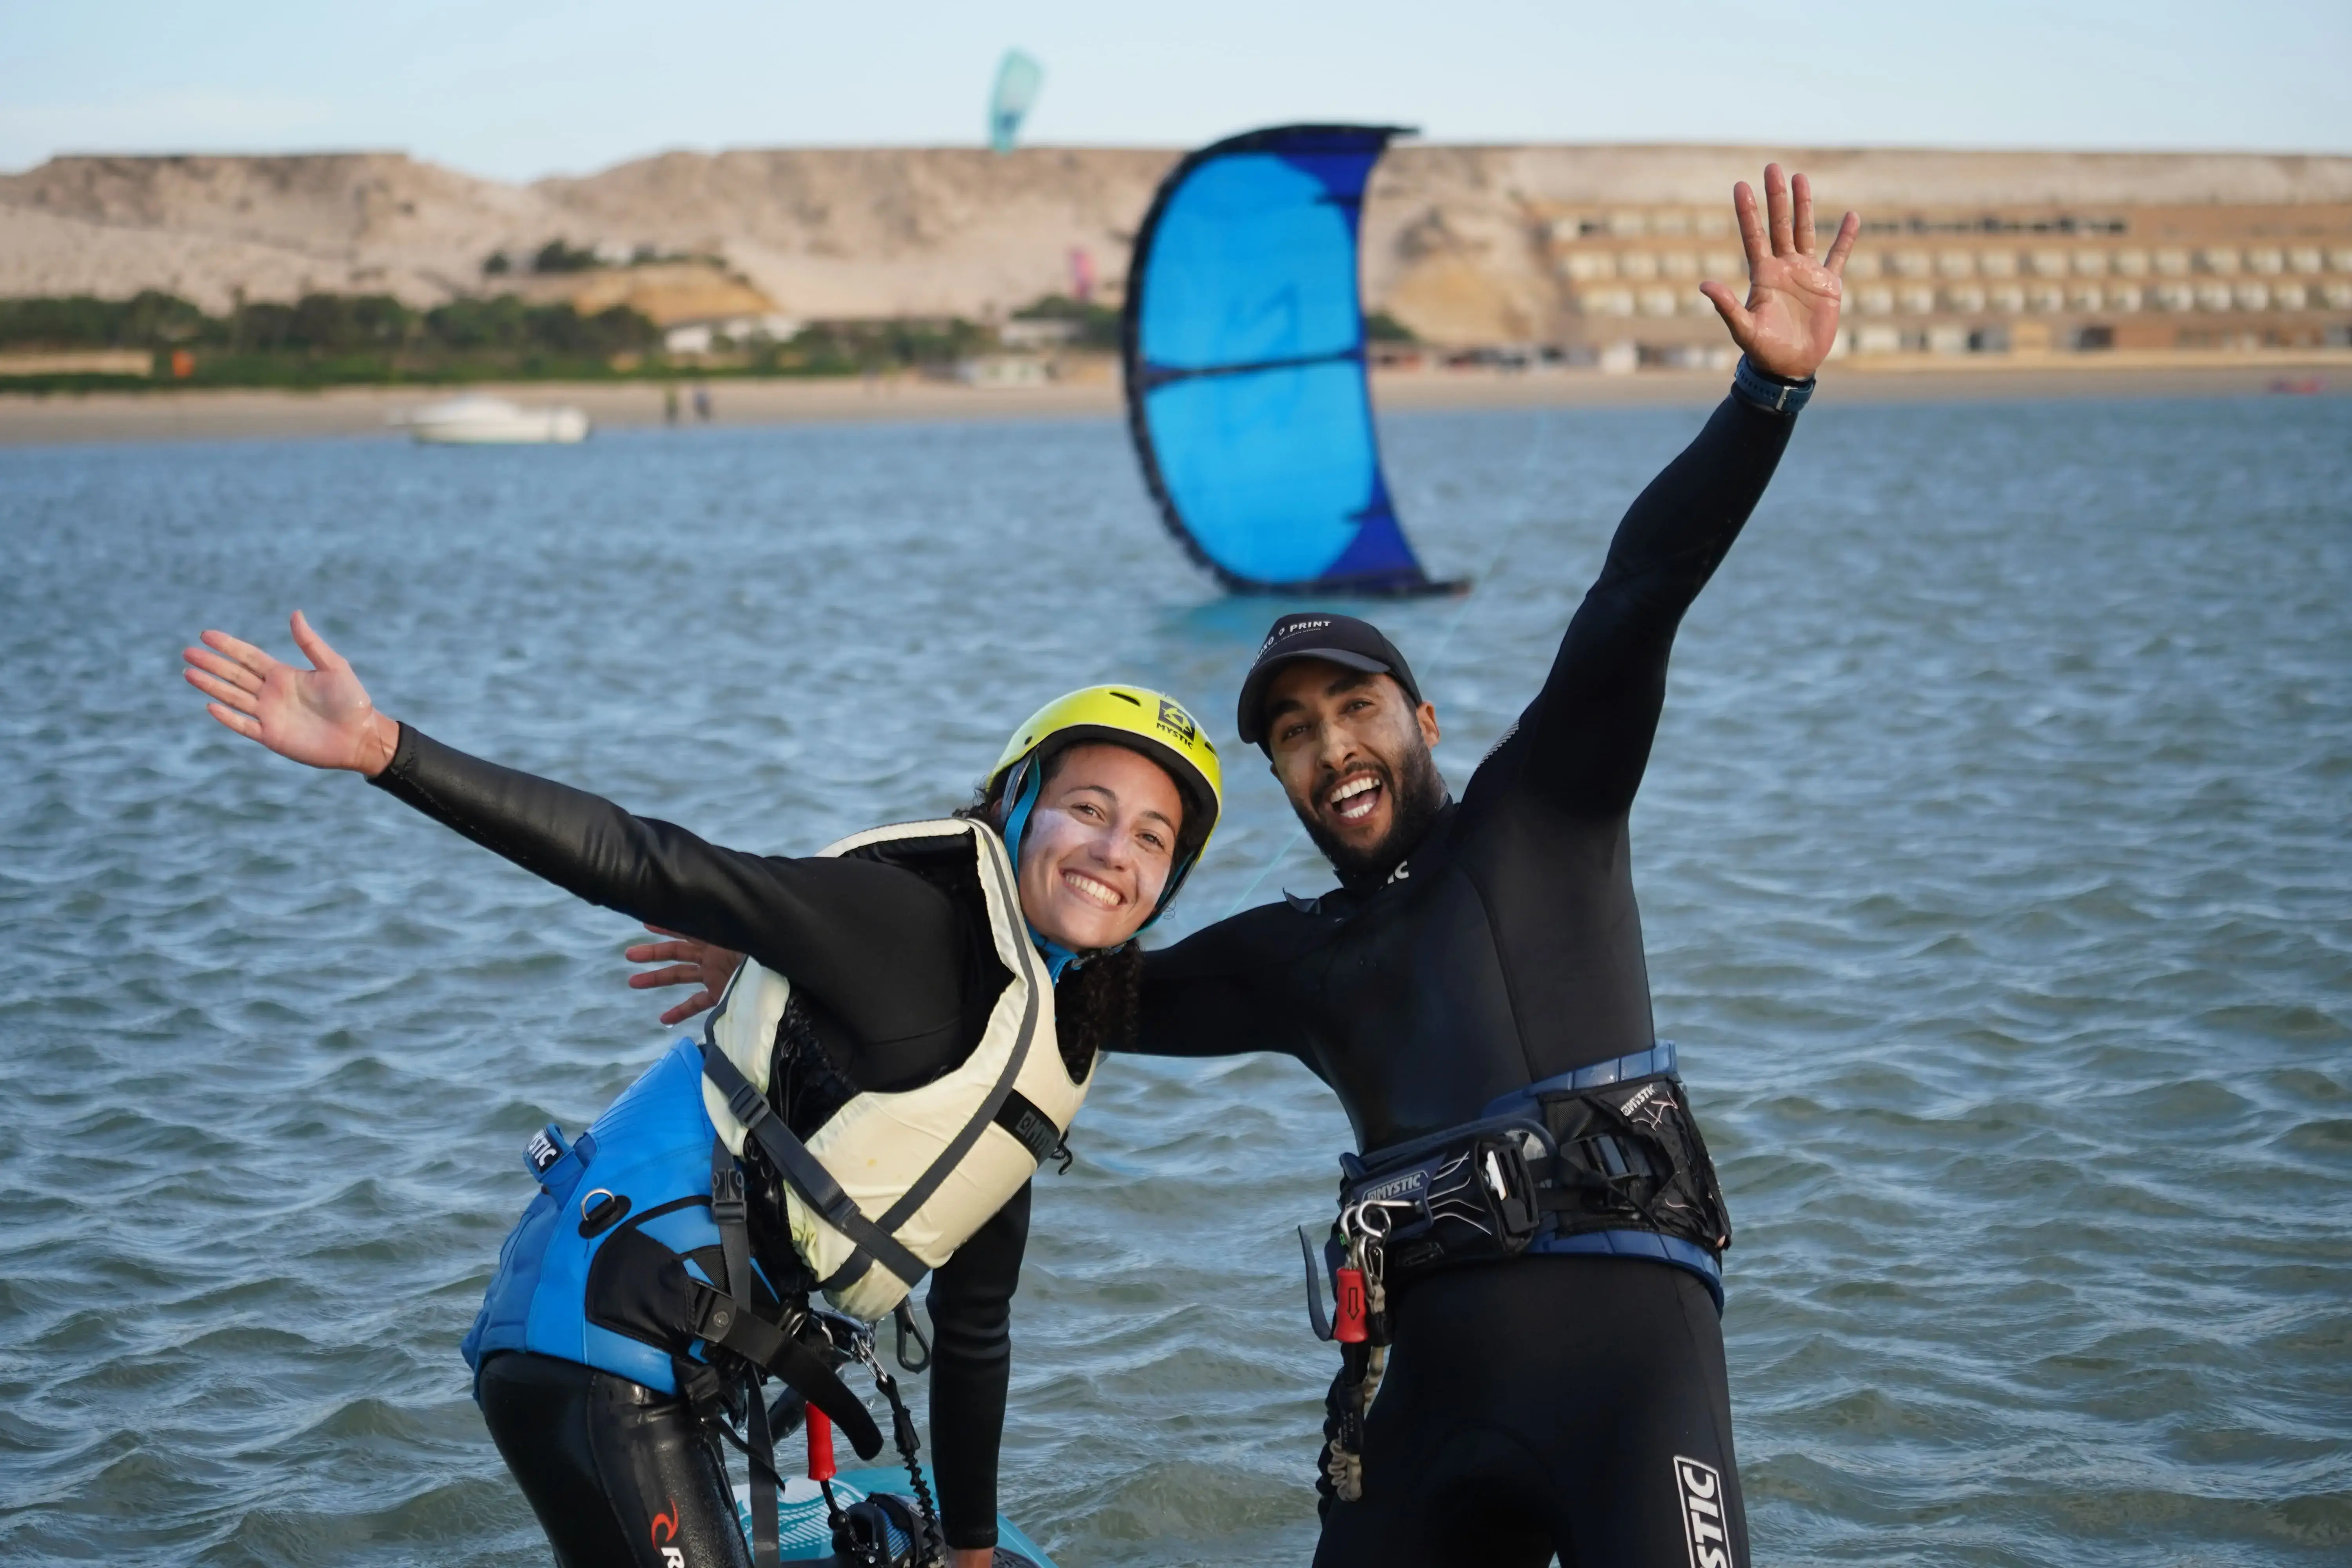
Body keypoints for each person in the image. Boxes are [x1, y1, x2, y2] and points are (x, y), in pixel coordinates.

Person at [640, 162, 1852, 1568]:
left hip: (1629, 1378)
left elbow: (1640, 586)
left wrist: (1764, 401)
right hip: (1418, 1416)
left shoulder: (1547, 812)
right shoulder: (1298, 962)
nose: (1331, 747)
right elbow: (1040, 983)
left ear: (1425, 724)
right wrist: (799, 954)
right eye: (1292, 734)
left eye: (1356, 710)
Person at [176, 628, 1221, 1568]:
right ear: (1020, 805)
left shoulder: (1037, 1052)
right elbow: (643, 858)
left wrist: (974, 1552)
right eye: (1088, 809)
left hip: (678, 1360)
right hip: (597, 1339)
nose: (1111, 852)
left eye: (1149, 838)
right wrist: (385, 751)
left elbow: (977, 1330)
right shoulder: (899, 920)